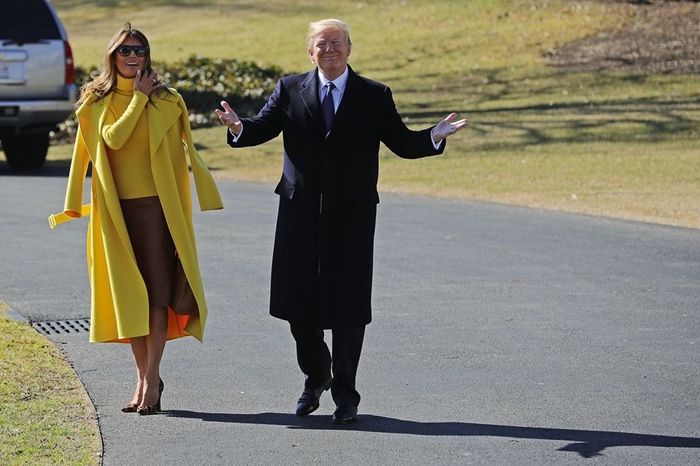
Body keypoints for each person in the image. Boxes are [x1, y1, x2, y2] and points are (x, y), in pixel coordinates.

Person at [215, 18, 466, 424]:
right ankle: (317, 376)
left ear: (349, 49)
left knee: (349, 308)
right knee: (299, 308)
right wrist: (239, 127)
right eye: (321, 43)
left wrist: (433, 136)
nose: (329, 49)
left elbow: (402, 142)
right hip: (299, 213)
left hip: (352, 215)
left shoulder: (374, 94)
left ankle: (346, 396)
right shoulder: (289, 89)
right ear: (309, 51)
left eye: (337, 42)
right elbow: (261, 128)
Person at [49, 23, 223, 415]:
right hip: (116, 213)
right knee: (131, 296)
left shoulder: (168, 100)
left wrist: (147, 98)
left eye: (139, 50)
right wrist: (137, 100)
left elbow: (185, 156)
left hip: (159, 211)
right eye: (125, 50)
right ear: (112, 56)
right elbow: (113, 139)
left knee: (157, 296)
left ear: (147, 55)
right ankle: (144, 377)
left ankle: (151, 378)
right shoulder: (96, 101)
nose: (132, 56)